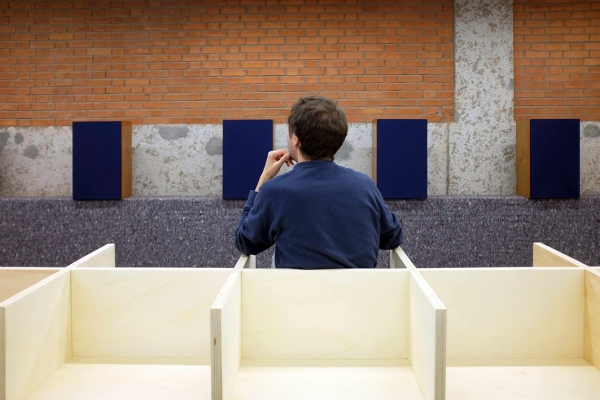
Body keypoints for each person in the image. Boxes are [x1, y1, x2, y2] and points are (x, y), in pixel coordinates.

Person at [235, 96, 403, 269]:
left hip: (295, 295)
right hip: (358, 294)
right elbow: (393, 237)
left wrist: (263, 180)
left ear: (296, 140)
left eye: (288, 131)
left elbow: (245, 241)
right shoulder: (365, 185)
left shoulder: (275, 191)